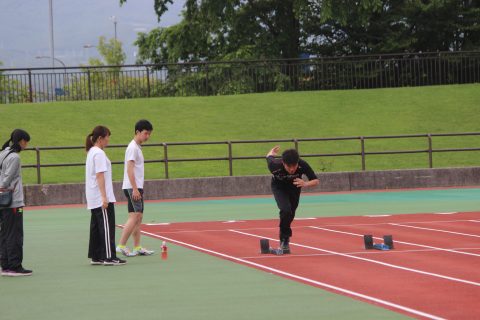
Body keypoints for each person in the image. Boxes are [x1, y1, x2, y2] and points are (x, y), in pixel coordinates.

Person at [85, 126, 126, 266]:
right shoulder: (99, 154)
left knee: (96, 227)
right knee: (107, 227)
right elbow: (99, 175)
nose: (109, 140)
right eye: (107, 137)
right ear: (100, 138)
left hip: (93, 196)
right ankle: (109, 256)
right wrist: (104, 197)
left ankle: (97, 256)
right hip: (100, 196)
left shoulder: (92, 151)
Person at [266, 146, 319, 254]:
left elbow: (316, 180)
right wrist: (271, 153)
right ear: (283, 163)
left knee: (290, 213)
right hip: (279, 188)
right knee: (285, 210)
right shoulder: (274, 165)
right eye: (288, 166)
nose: (291, 169)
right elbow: (269, 157)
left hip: (295, 187)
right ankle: (284, 239)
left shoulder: (302, 164)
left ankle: (284, 234)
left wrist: (305, 183)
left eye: (294, 166)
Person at [116, 120, 154, 257]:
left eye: (149, 134)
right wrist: (135, 189)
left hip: (136, 187)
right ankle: (121, 245)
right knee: (134, 216)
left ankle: (137, 247)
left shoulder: (137, 147)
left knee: (138, 216)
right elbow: (129, 169)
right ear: (137, 132)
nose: (147, 136)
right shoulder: (132, 148)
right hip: (132, 187)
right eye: (145, 133)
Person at [0, 129, 32, 277]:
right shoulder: (14, 157)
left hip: (4, 201)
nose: (26, 145)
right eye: (25, 141)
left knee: (5, 233)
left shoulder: (2, 153)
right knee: (15, 234)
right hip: (13, 201)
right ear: (21, 141)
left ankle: (5, 265)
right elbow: (6, 180)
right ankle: (15, 265)